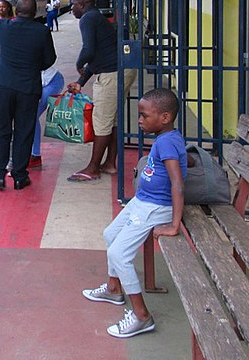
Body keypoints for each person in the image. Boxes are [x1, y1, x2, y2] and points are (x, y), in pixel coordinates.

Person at [82, 88, 186, 338]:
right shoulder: (165, 138)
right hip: (143, 201)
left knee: (119, 253)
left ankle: (142, 316)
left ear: (165, 117)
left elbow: (177, 183)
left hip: (155, 207)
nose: (139, 120)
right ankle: (114, 289)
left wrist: (174, 224)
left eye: (144, 115)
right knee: (110, 235)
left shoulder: (168, 142)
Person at [66, 0, 137, 182]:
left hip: (111, 74)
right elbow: (98, 55)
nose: (71, 7)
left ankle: (93, 168)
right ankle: (109, 164)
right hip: (120, 70)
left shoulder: (87, 19)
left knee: (102, 122)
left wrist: (78, 64)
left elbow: (88, 50)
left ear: (82, 4)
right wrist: (81, 82)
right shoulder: (96, 17)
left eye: (73, 3)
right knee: (112, 120)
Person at [0, 0, 56, 191]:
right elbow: (49, 59)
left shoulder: (2, 25)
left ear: (16, 10)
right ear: (35, 13)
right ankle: (19, 176)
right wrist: (33, 65)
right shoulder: (42, 31)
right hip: (28, 87)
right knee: (23, 132)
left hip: (3, 85)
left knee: (2, 130)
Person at [27, 65, 65, 169]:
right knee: (28, 116)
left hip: (50, 81)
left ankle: (35, 155)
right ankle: (31, 152)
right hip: (36, 82)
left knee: (31, 115)